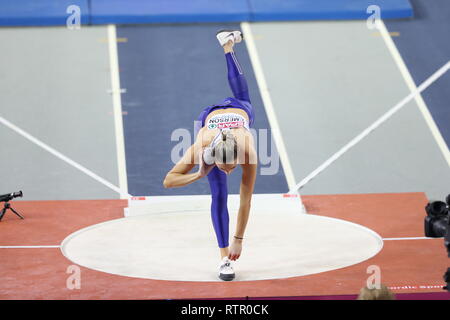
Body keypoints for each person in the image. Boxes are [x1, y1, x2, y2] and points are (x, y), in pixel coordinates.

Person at [163, 30, 257, 281]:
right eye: (224, 167)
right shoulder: (202, 145)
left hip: (239, 114)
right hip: (210, 119)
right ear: (214, 158)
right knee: (219, 194)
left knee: (245, 100)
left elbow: (246, 200)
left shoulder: (247, 148)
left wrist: (239, 239)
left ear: (239, 157)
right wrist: (198, 174)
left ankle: (228, 46)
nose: (228, 171)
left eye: (232, 167)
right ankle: (224, 259)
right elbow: (168, 181)